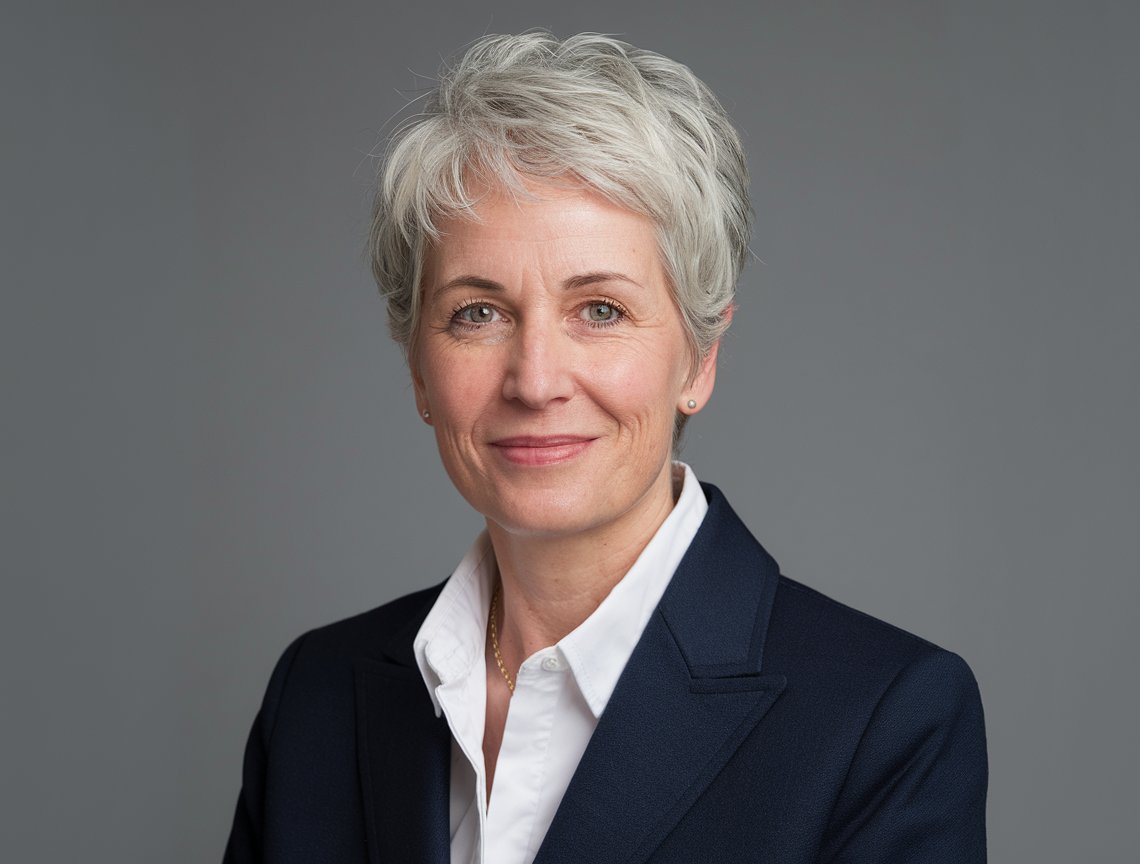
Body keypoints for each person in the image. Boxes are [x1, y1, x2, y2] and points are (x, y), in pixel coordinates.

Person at [223, 31, 987, 864]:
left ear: (699, 357)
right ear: (417, 367)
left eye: (600, 310)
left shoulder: (883, 721)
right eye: (478, 313)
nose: (536, 379)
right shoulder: (317, 696)